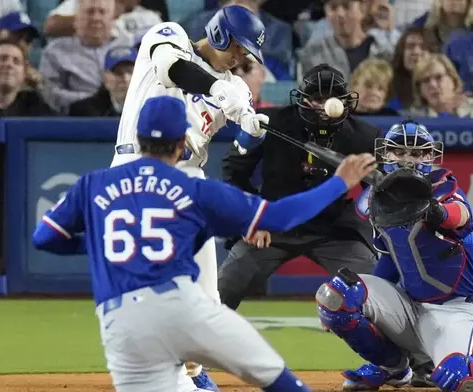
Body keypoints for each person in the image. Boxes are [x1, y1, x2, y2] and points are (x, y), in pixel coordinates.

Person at [31, 95, 377, 392]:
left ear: (136, 137)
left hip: (121, 324)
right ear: (183, 142)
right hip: (183, 309)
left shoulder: (92, 185)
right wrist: (338, 183)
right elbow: (280, 218)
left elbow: (44, 238)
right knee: (276, 378)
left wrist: (94, 245)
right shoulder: (193, 188)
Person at [316, 120, 473, 392]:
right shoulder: (375, 199)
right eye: (399, 152)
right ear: (385, 154)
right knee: (335, 296)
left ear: (429, 157)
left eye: (416, 154)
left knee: (461, 379)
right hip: (409, 304)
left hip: (456, 307)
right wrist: (359, 305)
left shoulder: (444, 188)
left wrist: (434, 212)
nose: (407, 160)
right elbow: (389, 259)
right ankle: (393, 368)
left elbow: (461, 215)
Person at [108, 5, 269, 391]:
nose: (239, 57)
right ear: (217, 33)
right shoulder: (169, 35)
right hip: (138, 171)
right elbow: (170, 68)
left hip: (189, 180)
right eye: (237, 47)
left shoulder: (237, 86)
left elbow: (242, 147)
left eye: (246, 54)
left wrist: (252, 130)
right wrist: (219, 89)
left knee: (207, 299)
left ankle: (192, 373)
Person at [218, 63, 380, 311]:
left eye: (333, 98)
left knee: (376, 291)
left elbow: (383, 184)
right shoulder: (271, 124)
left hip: (333, 229)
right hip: (272, 225)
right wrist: (252, 219)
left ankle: (393, 347)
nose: (326, 106)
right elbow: (233, 169)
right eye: (317, 98)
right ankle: (194, 346)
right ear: (302, 100)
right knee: (224, 287)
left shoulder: (364, 137)